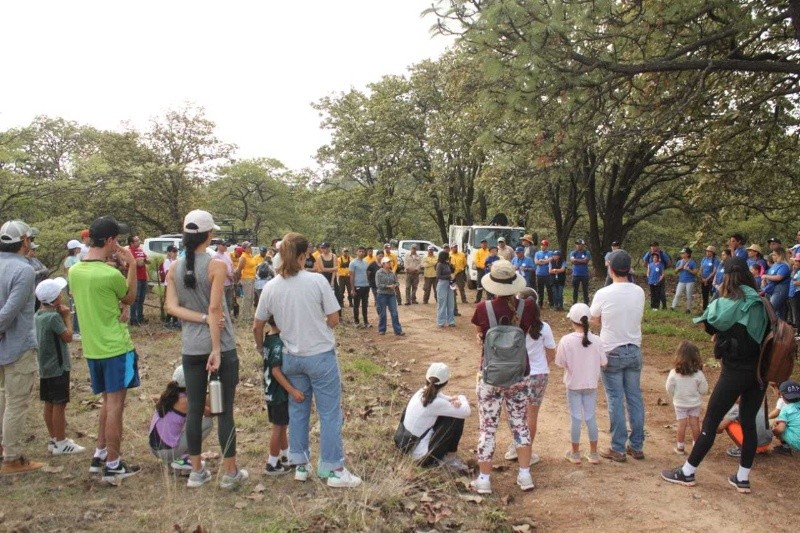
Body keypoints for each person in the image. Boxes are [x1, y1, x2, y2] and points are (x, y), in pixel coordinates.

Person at [254, 232, 362, 488]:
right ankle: (333, 468)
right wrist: (319, 328)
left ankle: (300, 465)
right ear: (304, 256)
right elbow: (334, 318)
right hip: (320, 356)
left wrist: (262, 350)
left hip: (292, 357)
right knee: (329, 414)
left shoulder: (271, 286)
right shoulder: (316, 282)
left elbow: (257, 325)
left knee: (298, 412)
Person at [661, 257, 768, 494]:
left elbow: (709, 323)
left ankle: (687, 472)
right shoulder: (762, 302)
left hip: (735, 372)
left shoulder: (731, 302)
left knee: (710, 422)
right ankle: (742, 478)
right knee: (748, 423)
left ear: (728, 277)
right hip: (760, 375)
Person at [165, 210, 247, 490]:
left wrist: (198, 319)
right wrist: (215, 348)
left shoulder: (175, 267)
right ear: (209, 234)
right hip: (219, 346)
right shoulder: (215, 265)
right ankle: (230, 472)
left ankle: (197, 471)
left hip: (190, 346)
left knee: (196, 409)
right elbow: (214, 309)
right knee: (224, 411)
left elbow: (171, 307)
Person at [68, 216, 142, 483]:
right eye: (117, 240)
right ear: (110, 241)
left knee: (107, 403)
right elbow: (130, 297)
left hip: (92, 348)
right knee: (116, 406)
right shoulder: (110, 274)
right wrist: (131, 264)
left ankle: (99, 454)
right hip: (115, 347)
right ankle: (113, 463)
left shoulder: (75, 271)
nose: (119, 244)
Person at [470, 260, 536, 495]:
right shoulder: (527, 307)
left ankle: (485, 479)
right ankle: (525, 475)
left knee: (488, 428)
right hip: (519, 374)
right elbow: (529, 331)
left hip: (490, 376)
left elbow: (481, 335)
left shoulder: (482, 308)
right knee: (520, 425)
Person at [589, 249, 646, 462]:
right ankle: (637, 446)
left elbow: (594, 318)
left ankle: (618, 447)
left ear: (611, 268)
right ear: (629, 269)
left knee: (615, 399)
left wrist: (605, 321)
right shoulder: (639, 291)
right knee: (634, 398)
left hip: (611, 349)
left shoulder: (604, 293)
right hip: (634, 349)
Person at [0, 220, 45, 475]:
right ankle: (12, 457)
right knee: (16, 402)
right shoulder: (24, 270)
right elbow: (10, 312)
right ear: (24, 241)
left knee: (3, 395)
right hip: (18, 344)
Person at [34, 277, 86, 456]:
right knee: (59, 404)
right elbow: (68, 337)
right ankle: (62, 442)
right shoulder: (53, 318)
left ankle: (54, 438)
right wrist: (67, 317)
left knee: (48, 402)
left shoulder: (38, 315)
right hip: (58, 367)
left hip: (45, 367)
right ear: (55, 299)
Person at [504, 288, 553, 466]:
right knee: (532, 415)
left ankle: (514, 447)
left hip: (517, 374)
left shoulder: (512, 325)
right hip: (538, 374)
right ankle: (527, 452)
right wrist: (543, 366)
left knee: (515, 412)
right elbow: (550, 352)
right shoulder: (543, 326)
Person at [555, 303, 606, 464]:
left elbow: (560, 362)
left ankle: (575, 453)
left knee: (575, 418)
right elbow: (604, 362)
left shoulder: (566, 340)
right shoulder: (597, 340)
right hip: (591, 384)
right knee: (591, 417)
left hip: (573, 384)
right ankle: (593, 453)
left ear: (572, 321)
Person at [396, 363, 471, 470]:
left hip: (407, 447)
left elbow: (442, 398)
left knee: (450, 412)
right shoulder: (436, 403)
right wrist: (461, 397)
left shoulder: (421, 393)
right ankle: (450, 458)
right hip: (421, 457)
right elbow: (466, 411)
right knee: (455, 418)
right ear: (446, 382)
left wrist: (452, 399)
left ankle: (446, 457)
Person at [255, 319, 301, 476]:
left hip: (270, 391)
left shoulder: (268, 337)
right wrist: (292, 390)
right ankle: (272, 463)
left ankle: (287, 456)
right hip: (278, 392)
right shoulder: (277, 344)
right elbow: (276, 371)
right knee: (277, 427)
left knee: (281, 425)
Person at [148, 366, 212, 471]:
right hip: (166, 452)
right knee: (208, 423)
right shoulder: (185, 401)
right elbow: (210, 412)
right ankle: (180, 459)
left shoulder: (170, 395)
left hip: (155, 448)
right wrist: (206, 391)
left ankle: (178, 458)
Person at [665, 341, 708, 455]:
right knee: (695, 423)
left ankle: (680, 447)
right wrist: (697, 393)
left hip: (680, 403)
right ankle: (696, 447)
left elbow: (669, 388)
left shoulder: (674, 373)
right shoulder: (698, 374)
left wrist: (676, 395)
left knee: (681, 424)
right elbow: (704, 390)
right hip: (694, 403)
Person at [376, 257, 405, 336]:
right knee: (383, 313)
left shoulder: (392, 273)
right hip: (382, 295)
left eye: (389, 262)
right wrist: (388, 286)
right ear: (383, 264)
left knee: (394, 313)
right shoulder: (379, 273)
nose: (389, 263)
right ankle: (382, 329)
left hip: (391, 295)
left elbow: (397, 283)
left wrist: (394, 285)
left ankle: (398, 330)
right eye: (387, 262)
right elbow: (378, 285)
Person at [762, 246, 791, 320]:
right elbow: (769, 275)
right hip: (772, 289)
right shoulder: (775, 265)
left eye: (774, 255)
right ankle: (779, 329)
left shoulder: (784, 266)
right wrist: (765, 279)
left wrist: (766, 276)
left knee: (771, 310)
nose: (773, 256)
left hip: (780, 290)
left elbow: (779, 277)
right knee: (779, 312)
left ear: (780, 255)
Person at [126, 235, 150, 326]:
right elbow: (139, 263)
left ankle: (140, 317)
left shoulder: (140, 250)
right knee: (135, 299)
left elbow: (148, 260)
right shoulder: (129, 252)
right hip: (135, 278)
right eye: (136, 241)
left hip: (143, 277)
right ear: (131, 243)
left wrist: (142, 260)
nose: (139, 242)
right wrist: (141, 261)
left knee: (141, 299)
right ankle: (133, 319)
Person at [772, 380, 800, 452]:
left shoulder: (785, 409)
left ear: (782, 396)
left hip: (797, 443)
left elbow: (780, 429)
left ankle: (785, 446)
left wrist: (772, 432)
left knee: (777, 423)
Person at [64, 239, 83, 341]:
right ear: (74, 249)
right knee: (75, 309)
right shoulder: (69, 260)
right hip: (72, 285)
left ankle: (79, 330)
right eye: (78, 247)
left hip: (78, 284)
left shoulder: (77, 258)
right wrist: (71, 288)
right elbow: (69, 274)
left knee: (79, 308)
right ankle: (76, 331)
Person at [642, 241, 670, 308]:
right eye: (651, 246)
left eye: (654, 246)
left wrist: (662, 268)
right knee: (653, 292)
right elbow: (644, 262)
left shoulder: (662, 253)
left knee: (661, 292)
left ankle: (664, 306)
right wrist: (650, 269)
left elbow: (668, 262)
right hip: (652, 276)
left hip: (660, 275)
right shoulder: (649, 253)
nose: (653, 247)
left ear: (657, 246)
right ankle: (654, 306)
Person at [348, 246, 371, 327]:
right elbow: (351, 276)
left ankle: (366, 322)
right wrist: (352, 288)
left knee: (365, 305)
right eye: (359, 251)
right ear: (356, 252)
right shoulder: (353, 263)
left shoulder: (366, 262)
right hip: (357, 286)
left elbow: (368, 274)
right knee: (356, 305)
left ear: (365, 253)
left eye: (363, 251)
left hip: (366, 286)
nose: (361, 253)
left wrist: (369, 284)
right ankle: (356, 322)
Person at [236, 242, 258, 323]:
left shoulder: (250, 256)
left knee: (251, 297)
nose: (250, 248)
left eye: (250, 247)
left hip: (252, 278)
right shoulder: (243, 257)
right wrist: (238, 279)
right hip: (246, 278)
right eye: (248, 247)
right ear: (244, 249)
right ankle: (245, 315)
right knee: (247, 297)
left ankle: (248, 313)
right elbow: (239, 269)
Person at [671, 247, 698, 314]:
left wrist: (689, 270)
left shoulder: (692, 262)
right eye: (681, 253)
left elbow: (695, 272)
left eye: (683, 253)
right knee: (677, 294)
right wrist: (680, 268)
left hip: (690, 281)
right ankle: (673, 307)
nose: (682, 254)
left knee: (689, 295)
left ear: (688, 254)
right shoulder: (679, 262)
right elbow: (675, 272)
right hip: (681, 281)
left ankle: (688, 309)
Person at [213, 240, 236, 315]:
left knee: (229, 301)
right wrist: (229, 275)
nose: (226, 247)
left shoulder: (227, 254)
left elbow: (231, 264)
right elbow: (220, 269)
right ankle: (223, 317)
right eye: (224, 245)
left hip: (230, 281)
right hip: (223, 282)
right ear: (218, 246)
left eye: (226, 245)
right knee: (223, 303)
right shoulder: (216, 256)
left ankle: (228, 316)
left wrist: (233, 275)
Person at [162, 245, 180, 329]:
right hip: (169, 285)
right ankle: (167, 321)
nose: (176, 253)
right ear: (169, 252)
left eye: (176, 251)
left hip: (176, 284)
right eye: (174, 251)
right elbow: (168, 274)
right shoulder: (167, 261)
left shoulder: (177, 261)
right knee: (171, 302)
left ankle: (175, 321)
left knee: (176, 302)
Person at [435, 251, 455, 328]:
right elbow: (438, 276)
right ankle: (441, 322)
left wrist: (451, 265)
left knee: (450, 303)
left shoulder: (447, 264)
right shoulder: (439, 265)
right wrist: (448, 276)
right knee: (442, 304)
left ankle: (451, 321)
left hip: (449, 284)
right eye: (447, 256)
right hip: (442, 284)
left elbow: (452, 271)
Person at [569, 239, 591, 305]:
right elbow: (572, 261)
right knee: (575, 290)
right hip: (576, 274)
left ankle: (586, 303)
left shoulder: (587, 252)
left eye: (579, 244)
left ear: (583, 245)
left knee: (585, 290)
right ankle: (574, 303)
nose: (578, 245)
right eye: (577, 244)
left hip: (585, 274)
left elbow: (586, 261)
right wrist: (581, 261)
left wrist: (576, 260)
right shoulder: (573, 252)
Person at [699, 246, 720, 311]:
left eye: (709, 251)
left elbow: (714, 271)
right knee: (704, 296)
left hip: (711, 281)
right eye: (707, 251)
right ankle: (704, 310)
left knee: (712, 296)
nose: (707, 253)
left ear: (713, 252)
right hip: (703, 280)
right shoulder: (704, 259)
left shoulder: (715, 260)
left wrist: (707, 279)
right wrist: (702, 278)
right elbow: (701, 269)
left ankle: (711, 310)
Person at [533, 240, 553, 308]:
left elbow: (551, 259)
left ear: (547, 246)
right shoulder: (537, 253)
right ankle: (540, 303)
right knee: (540, 290)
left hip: (548, 274)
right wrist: (546, 262)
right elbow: (536, 262)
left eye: (544, 245)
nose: (542, 246)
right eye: (541, 245)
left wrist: (542, 261)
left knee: (549, 289)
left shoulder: (550, 252)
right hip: (539, 273)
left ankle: (551, 303)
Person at [474, 238, 490, 302]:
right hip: (480, 270)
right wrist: (483, 266)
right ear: (481, 244)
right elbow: (476, 261)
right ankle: (478, 299)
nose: (484, 244)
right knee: (479, 285)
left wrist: (487, 266)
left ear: (487, 244)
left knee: (488, 283)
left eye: (485, 243)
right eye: (483, 243)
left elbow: (490, 259)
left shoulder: (489, 251)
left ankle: (489, 298)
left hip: (488, 270)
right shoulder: (478, 251)